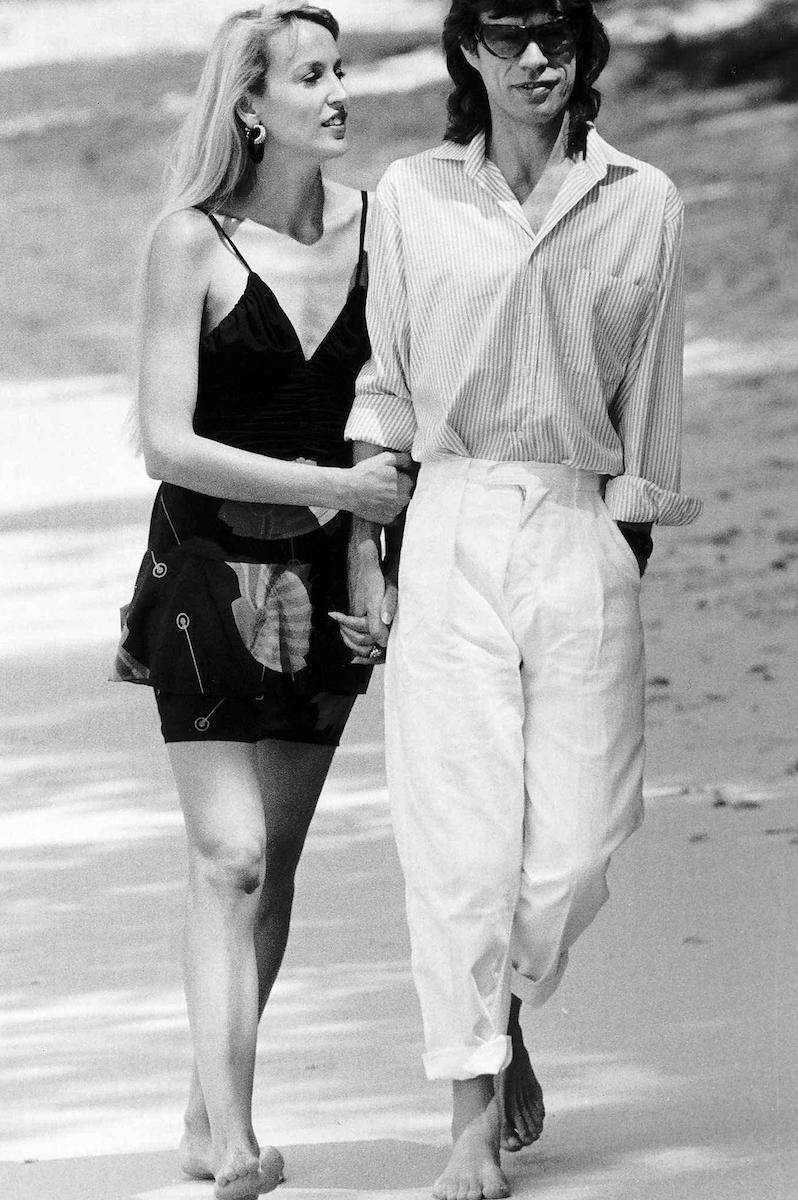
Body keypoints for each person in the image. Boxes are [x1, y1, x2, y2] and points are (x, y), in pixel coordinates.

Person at [335, 2, 701, 1198]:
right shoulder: (408, 197)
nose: (534, 58)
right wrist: (362, 556)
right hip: (445, 517)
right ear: (469, 55)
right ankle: (469, 1115)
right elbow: (383, 388)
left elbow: (651, 397)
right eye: (507, 36)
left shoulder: (643, 198)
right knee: (458, 842)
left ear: (584, 49)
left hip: (583, 519)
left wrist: (619, 544)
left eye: (554, 33)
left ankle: (500, 1004)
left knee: (584, 842)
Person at [113, 6, 412, 1199]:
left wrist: (365, 557)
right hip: (202, 571)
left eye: (340, 70)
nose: (339, 90)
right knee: (227, 857)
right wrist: (335, 489)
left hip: (319, 587)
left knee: (273, 866)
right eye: (310, 75)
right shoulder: (188, 241)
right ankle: (235, 1143)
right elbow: (164, 444)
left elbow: (389, 410)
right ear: (251, 105)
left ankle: (207, 1111)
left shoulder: (381, 230)